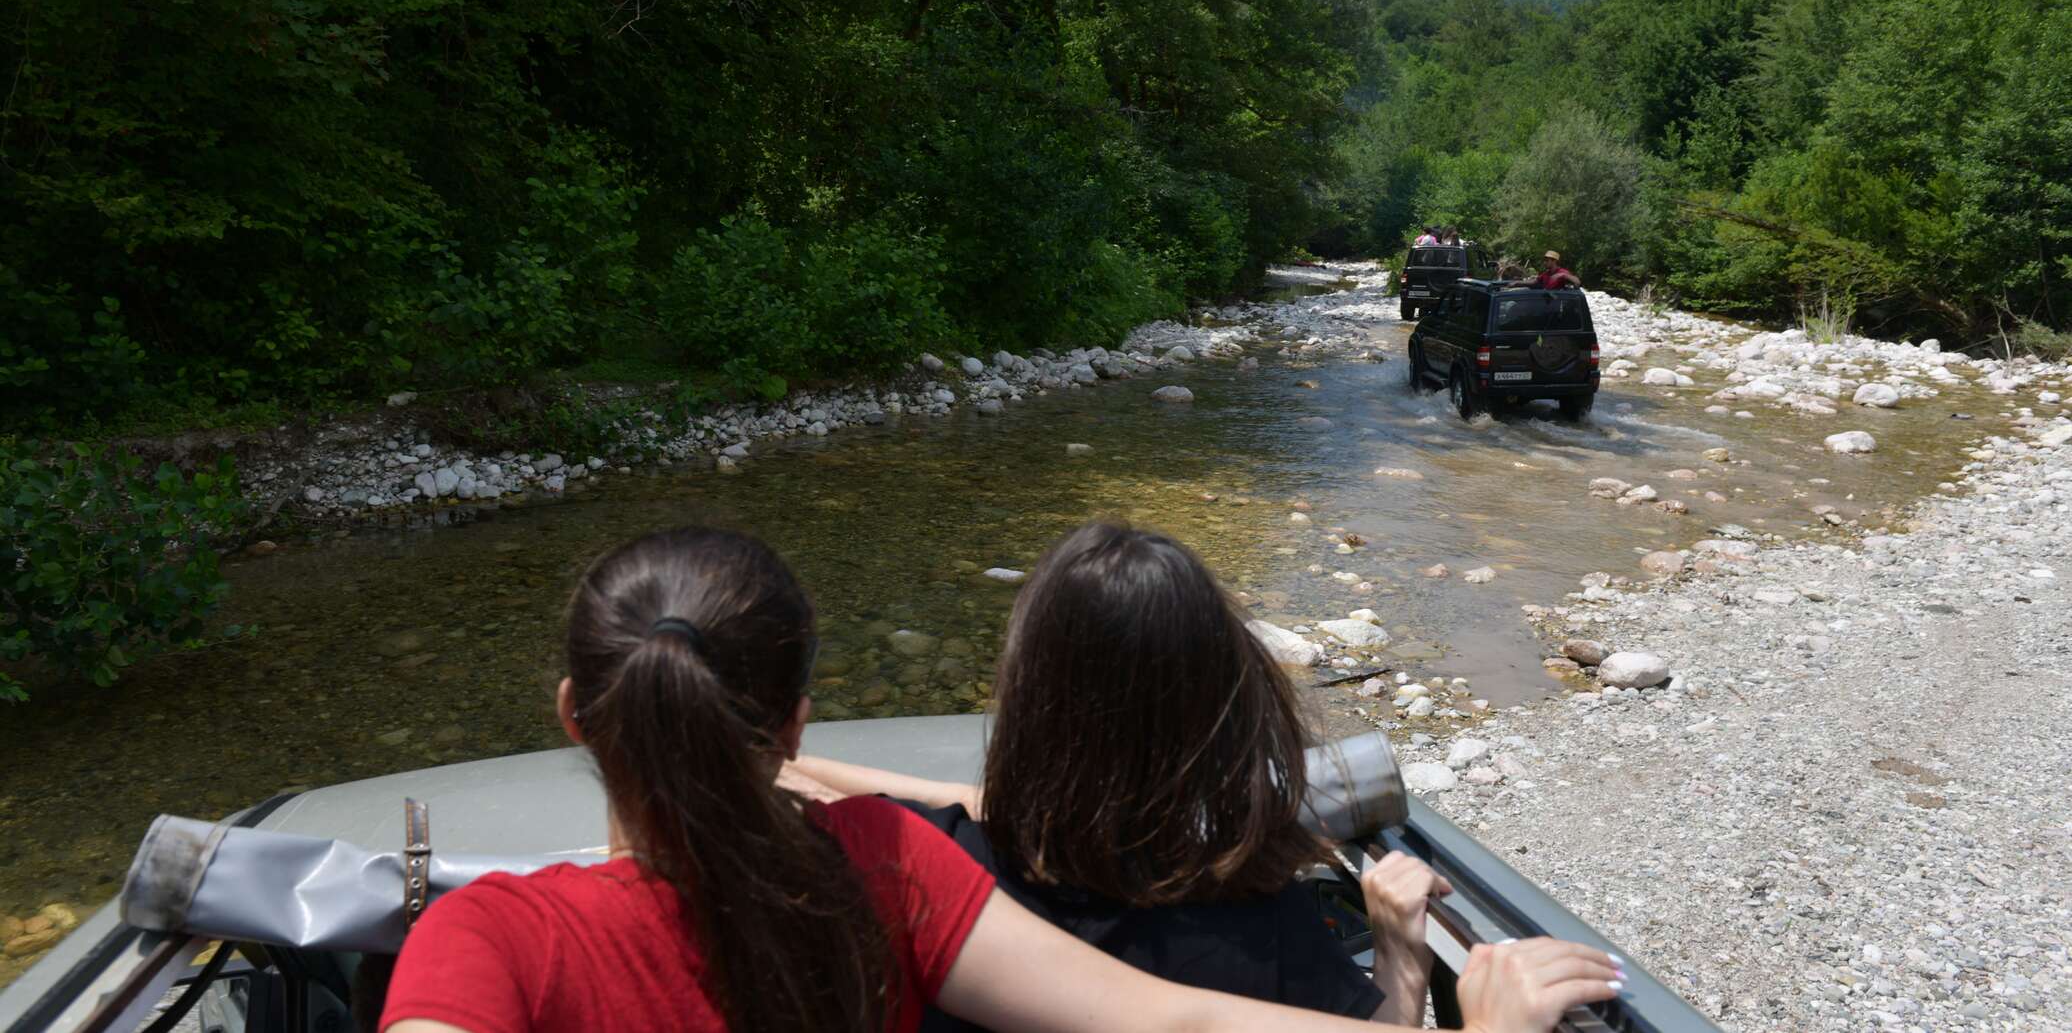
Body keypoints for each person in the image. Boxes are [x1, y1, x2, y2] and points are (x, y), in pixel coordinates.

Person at [381, 527, 1621, 1033]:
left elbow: (986, 817)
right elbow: (1176, 1021)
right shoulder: (885, 865)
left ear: (571, 720)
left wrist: (759, 759)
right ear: (794, 719)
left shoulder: (477, 940)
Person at [784, 525, 1456, 1028]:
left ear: (1029, 700)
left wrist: (785, 757)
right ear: (1223, 703)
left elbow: (954, 806)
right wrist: (1399, 953)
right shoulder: (1266, 927)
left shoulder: (940, 872)